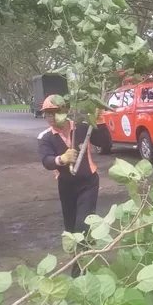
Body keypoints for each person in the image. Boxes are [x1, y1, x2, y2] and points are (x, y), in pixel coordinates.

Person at [37, 94, 110, 276]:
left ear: (65, 111)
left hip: (88, 183)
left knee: (82, 226)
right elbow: (46, 160)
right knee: (70, 230)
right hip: (66, 186)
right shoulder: (45, 137)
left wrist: (99, 120)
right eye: (47, 114)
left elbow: (105, 143)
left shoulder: (82, 127)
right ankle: (85, 258)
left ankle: (79, 273)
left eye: (55, 112)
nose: (51, 118)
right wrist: (62, 159)